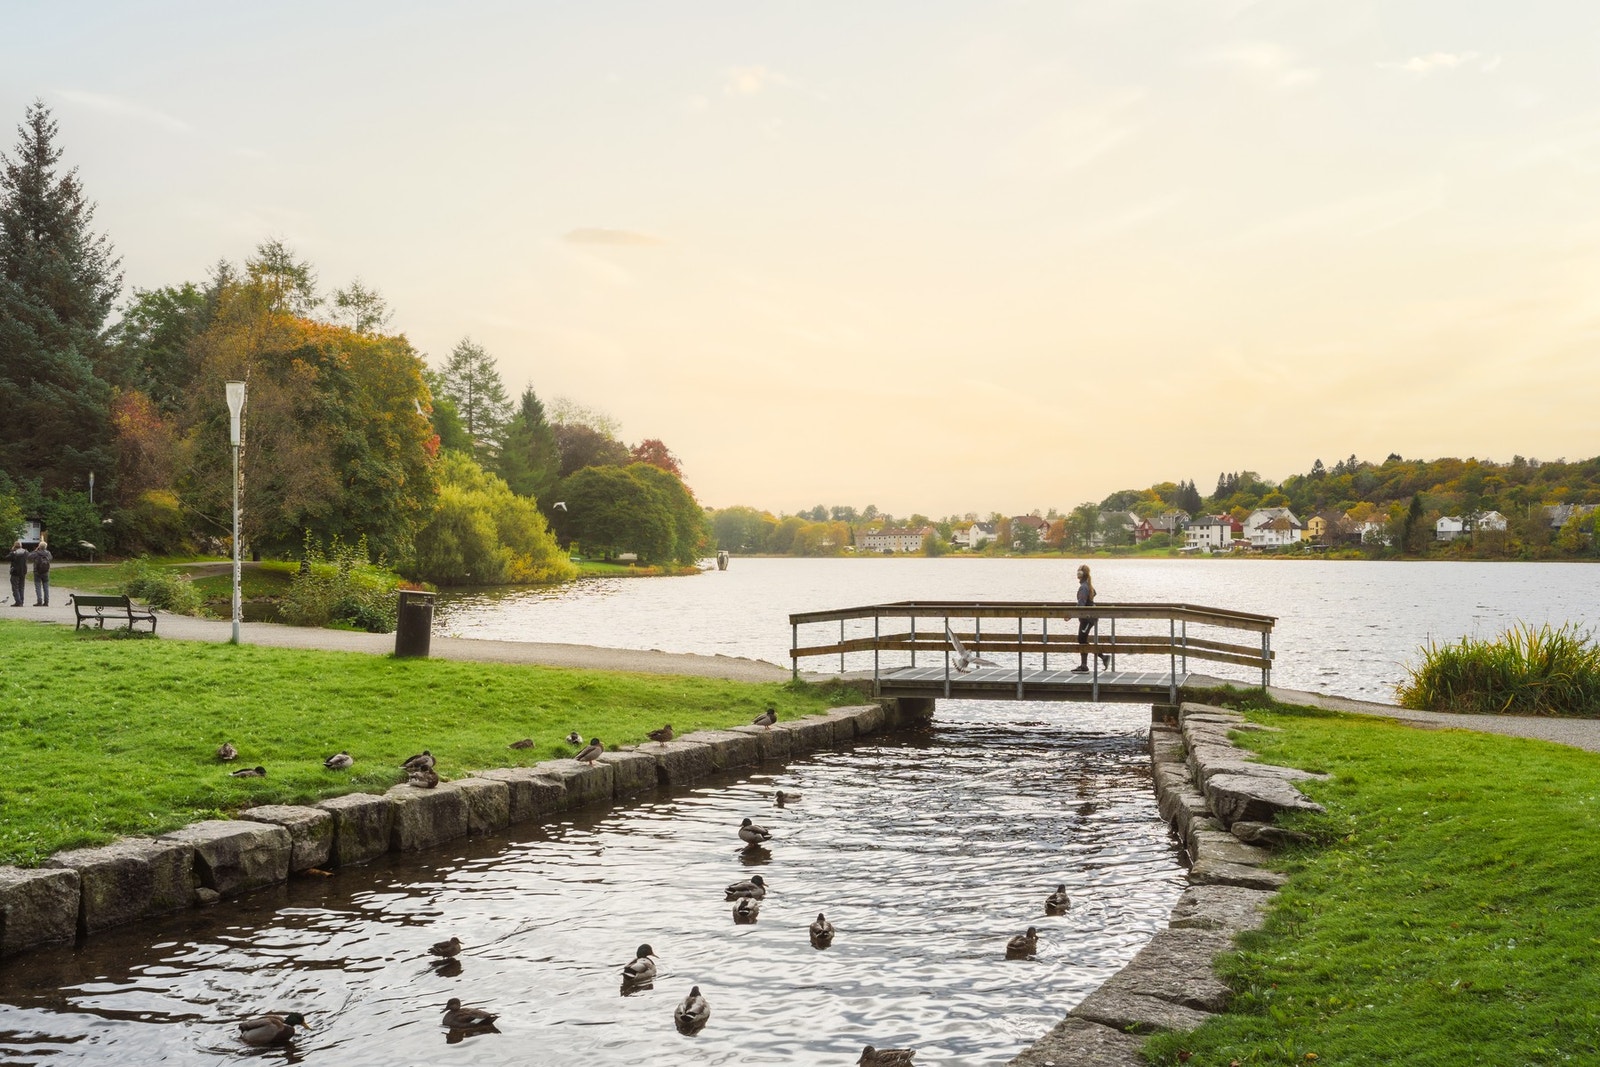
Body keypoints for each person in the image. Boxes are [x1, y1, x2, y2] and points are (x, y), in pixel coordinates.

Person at [1073, 564, 1111, 672]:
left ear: (1081, 574)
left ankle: (1099, 659)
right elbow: (1093, 594)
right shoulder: (1087, 585)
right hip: (1088, 618)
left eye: (1079, 571)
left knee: (1081, 639)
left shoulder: (1084, 587)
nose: (1077, 573)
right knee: (1082, 639)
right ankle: (1089, 663)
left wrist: (1072, 614)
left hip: (1087, 618)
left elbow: (1081, 604)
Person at [29, 537, 51, 606]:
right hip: (46, 572)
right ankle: (46, 602)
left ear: (39, 547)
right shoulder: (48, 553)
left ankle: (39, 601)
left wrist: (36, 550)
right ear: (45, 547)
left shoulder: (36, 553)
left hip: (37, 572)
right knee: (46, 587)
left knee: (38, 587)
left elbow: (29, 556)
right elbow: (51, 558)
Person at [7, 541, 28, 608]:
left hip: (15, 572)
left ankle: (18, 601)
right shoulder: (26, 552)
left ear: (14, 546)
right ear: (21, 546)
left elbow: (7, 557)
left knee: (15, 587)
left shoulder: (14, 553)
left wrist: (12, 550)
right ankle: (21, 601)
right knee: (21, 587)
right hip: (23, 571)